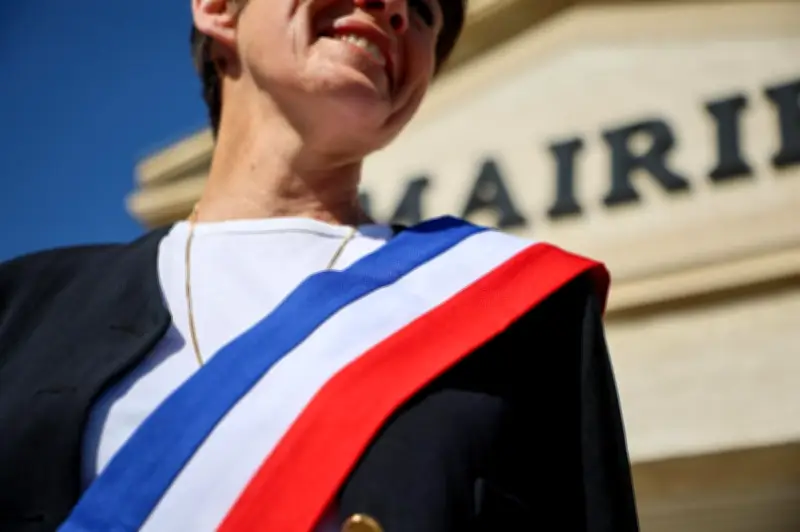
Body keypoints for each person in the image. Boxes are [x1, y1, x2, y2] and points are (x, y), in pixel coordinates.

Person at [0, 0, 640, 530]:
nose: (394, 7)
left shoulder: (522, 312)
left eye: (424, 10)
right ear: (218, 8)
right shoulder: (24, 306)